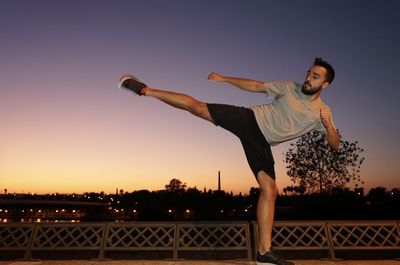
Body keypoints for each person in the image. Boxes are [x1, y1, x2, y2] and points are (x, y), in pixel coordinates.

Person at [118, 58, 340, 265]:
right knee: (198, 107)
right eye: (309, 73)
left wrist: (329, 126)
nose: (308, 79)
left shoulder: (323, 112)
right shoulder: (289, 87)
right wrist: (224, 79)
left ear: (325, 85)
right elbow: (255, 86)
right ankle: (145, 90)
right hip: (249, 120)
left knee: (270, 190)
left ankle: (264, 252)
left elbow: (334, 144)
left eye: (315, 77)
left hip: (261, 143)